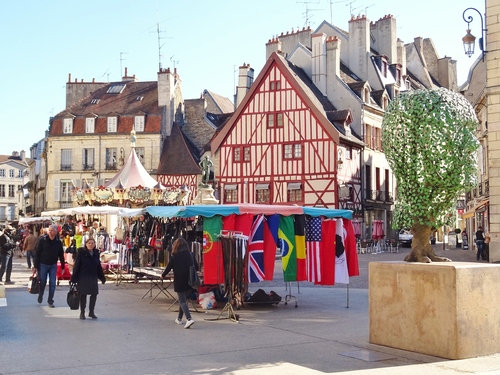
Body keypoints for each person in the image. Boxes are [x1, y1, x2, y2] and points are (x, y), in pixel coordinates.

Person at [160, 238, 198, 329]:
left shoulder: (175, 256)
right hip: (189, 280)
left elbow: (168, 267)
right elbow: (196, 266)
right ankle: (179, 318)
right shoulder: (190, 254)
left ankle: (189, 319)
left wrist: (163, 275)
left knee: (182, 301)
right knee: (184, 299)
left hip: (179, 280)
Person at [71, 238, 106, 320]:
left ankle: (91, 312)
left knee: (94, 294)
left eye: (92, 243)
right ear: (86, 244)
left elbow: (98, 267)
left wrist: (102, 277)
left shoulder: (96, 253)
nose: (90, 244)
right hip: (83, 277)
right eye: (89, 243)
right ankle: (82, 312)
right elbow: (76, 265)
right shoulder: (81, 253)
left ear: (94, 244)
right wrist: (74, 278)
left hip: (93, 277)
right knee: (83, 295)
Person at [34, 224, 65, 308]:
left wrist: (62, 266)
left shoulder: (58, 242)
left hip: (53, 265)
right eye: (49, 230)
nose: (50, 232)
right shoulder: (42, 240)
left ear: (56, 232)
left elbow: (61, 255)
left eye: (52, 230)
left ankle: (50, 300)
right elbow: (37, 253)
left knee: (52, 283)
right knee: (43, 282)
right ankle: (41, 294)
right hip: (43, 264)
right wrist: (35, 266)